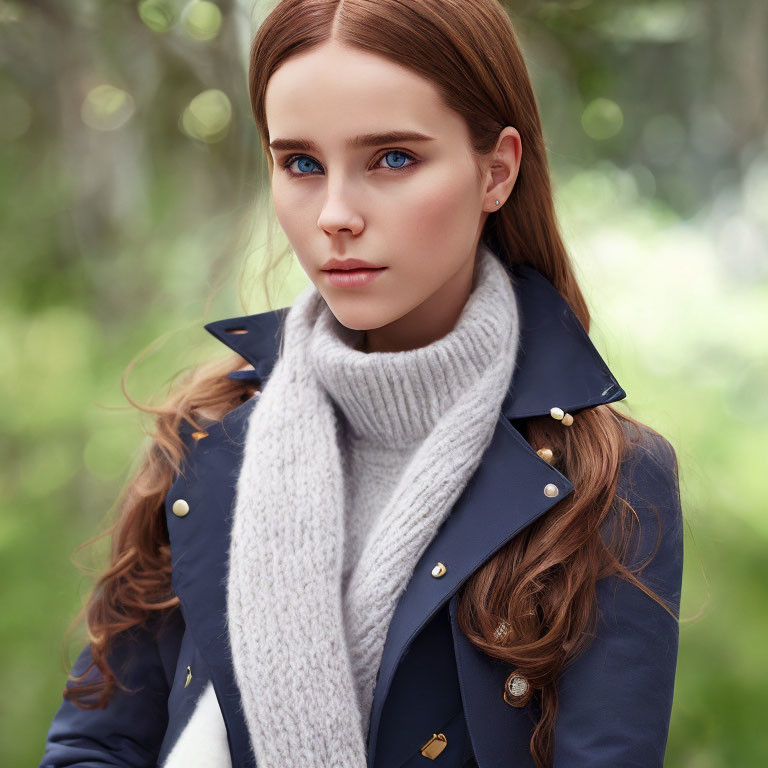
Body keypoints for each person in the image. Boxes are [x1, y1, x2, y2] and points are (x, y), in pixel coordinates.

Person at [39, 1, 684, 766]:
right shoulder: (208, 428)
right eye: (301, 164)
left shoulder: (607, 480)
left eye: (392, 159)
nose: (336, 215)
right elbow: (95, 744)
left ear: (496, 170)